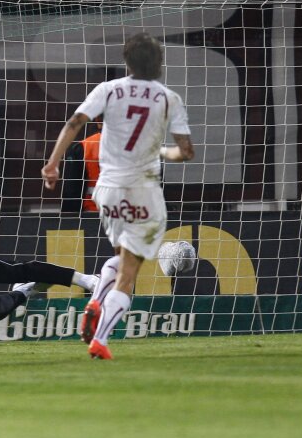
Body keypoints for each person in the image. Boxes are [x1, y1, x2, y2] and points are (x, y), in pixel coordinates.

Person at [42, 33, 195, 360]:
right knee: (130, 273)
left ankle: (97, 298)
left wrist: (53, 163)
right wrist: (163, 152)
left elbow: (74, 122)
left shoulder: (108, 89)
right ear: (159, 64)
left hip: (106, 190)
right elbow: (185, 152)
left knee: (122, 257)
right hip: (143, 189)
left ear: (127, 63)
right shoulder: (168, 98)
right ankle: (101, 338)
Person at [59, 118, 102, 213]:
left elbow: (71, 194)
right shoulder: (137, 146)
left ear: (98, 121)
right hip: (132, 214)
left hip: (92, 216)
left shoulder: (83, 148)